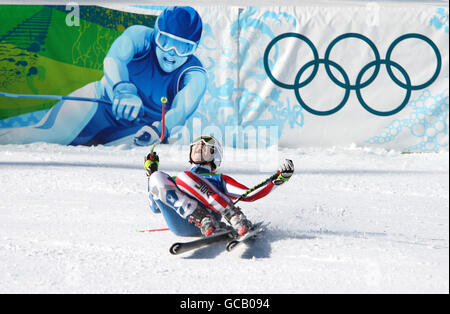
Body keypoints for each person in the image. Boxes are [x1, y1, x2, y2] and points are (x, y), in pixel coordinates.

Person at [0, 6, 207, 146]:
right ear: (156, 34)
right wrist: (123, 89)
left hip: (139, 127)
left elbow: (181, 110)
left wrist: (159, 130)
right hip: (100, 103)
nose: (172, 52)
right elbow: (114, 58)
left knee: (125, 157)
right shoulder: (140, 37)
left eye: (182, 47)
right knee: (44, 136)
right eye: (166, 41)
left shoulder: (194, 75)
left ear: (194, 49)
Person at [145, 135, 294, 237]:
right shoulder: (173, 179)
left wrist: (278, 180)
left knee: (184, 177)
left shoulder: (218, 178)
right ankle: (201, 218)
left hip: (213, 220)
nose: (200, 144)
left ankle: (234, 216)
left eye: (207, 144)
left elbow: (248, 194)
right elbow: (155, 207)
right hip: (181, 224)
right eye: (196, 144)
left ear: (215, 156)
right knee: (157, 176)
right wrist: (151, 172)